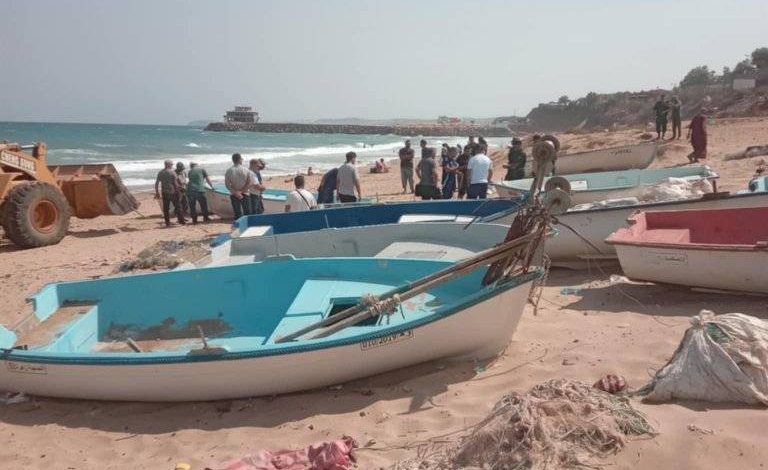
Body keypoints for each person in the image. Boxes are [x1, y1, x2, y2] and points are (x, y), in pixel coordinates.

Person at [154, 160, 185, 226]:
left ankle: (167, 222)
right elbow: (175, 184)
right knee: (178, 207)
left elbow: (157, 183)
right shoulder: (172, 172)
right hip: (173, 192)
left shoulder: (161, 172)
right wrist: (179, 190)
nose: (172, 166)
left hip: (164, 192)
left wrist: (157, 192)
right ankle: (181, 221)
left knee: (166, 208)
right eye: (171, 165)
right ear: (168, 165)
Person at [224, 153, 252, 219]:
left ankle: (239, 225)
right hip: (245, 193)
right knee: (247, 213)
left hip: (234, 194)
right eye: (241, 159)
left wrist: (236, 192)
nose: (242, 160)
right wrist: (241, 192)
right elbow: (249, 183)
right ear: (239, 160)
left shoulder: (229, 170)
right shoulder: (246, 170)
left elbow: (227, 185)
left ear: (233, 160)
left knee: (237, 213)